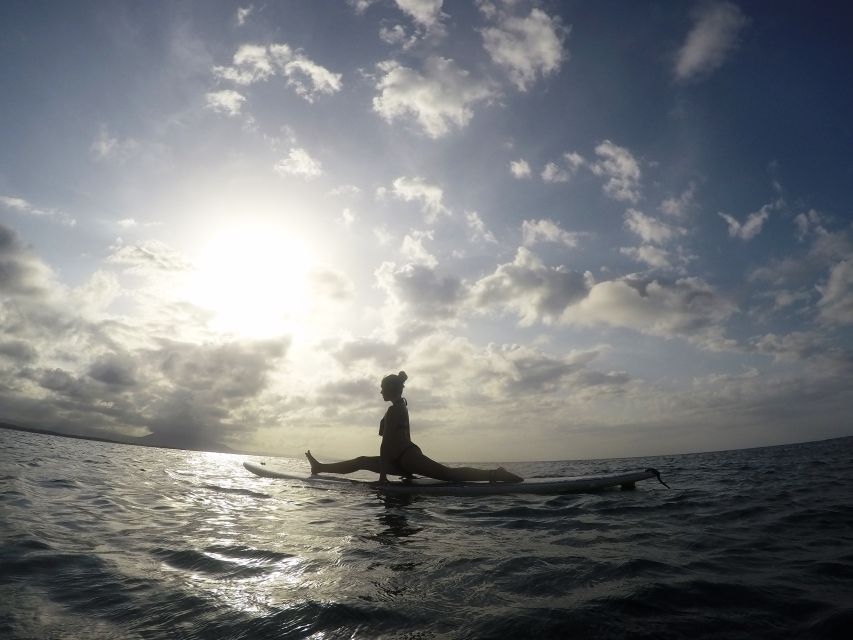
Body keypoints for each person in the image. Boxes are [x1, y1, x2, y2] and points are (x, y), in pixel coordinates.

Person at [305, 371, 523, 483]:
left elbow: (387, 443)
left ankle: (496, 473)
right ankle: (320, 467)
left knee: (448, 475)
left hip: (406, 457)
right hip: (402, 458)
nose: (380, 392)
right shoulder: (401, 405)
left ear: (390, 390)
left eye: (382, 388)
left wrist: (383, 476)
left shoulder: (395, 409)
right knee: (362, 461)